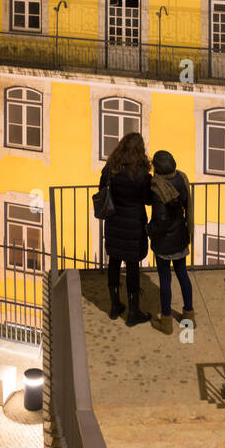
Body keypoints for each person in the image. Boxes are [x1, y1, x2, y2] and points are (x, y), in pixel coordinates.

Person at [99, 131, 152, 327]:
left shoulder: (110, 168)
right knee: (132, 267)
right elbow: (147, 199)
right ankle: (133, 312)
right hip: (133, 224)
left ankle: (114, 306)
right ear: (140, 150)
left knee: (113, 262)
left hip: (114, 222)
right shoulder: (141, 173)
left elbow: (102, 190)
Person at [147, 150, 194, 336]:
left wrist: (148, 230)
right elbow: (186, 206)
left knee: (165, 280)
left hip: (165, 242)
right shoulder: (182, 178)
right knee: (183, 275)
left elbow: (161, 221)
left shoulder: (158, 188)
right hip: (181, 235)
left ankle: (166, 321)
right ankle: (189, 315)